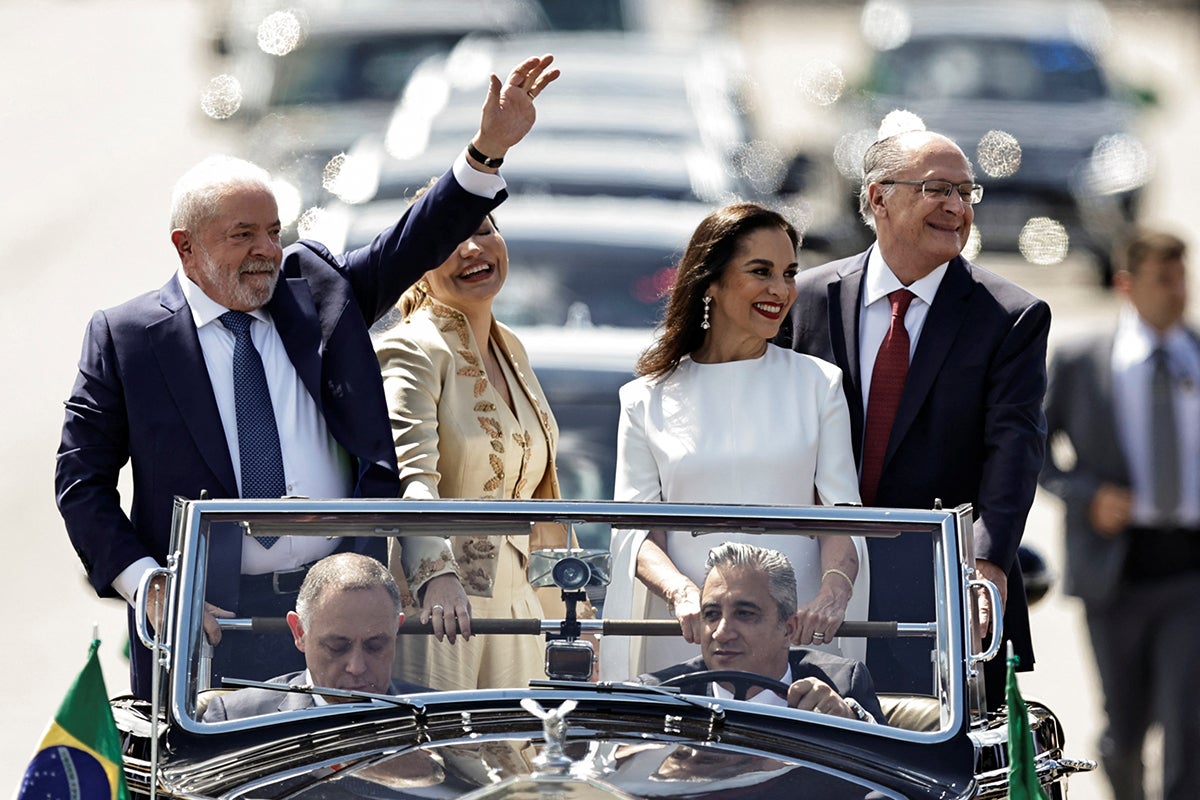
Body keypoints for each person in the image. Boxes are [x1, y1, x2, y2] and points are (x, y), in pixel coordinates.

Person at [54, 54, 561, 699]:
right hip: (207, 622)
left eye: (272, 231)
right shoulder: (128, 338)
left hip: (344, 622)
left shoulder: (315, 292)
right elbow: (81, 482)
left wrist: (486, 151)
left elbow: (410, 240)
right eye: (242, 236)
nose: (266, 250)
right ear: (186, 246)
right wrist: (149, 583)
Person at [774, 128, 1050, 708]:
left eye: (966, 192)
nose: (957, 207)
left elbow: (1014, 449)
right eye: (937, 189)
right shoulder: (809, 300)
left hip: (939, 597)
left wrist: (987, 567)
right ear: (878, 198)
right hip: (814, 589)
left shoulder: (1010, 317)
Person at [603, 202, 867, 681]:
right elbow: (636, 533)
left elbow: (841, 516)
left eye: (789, 273)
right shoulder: (645, 398)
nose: (781, 290)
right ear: (711, 283)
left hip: (792, 638)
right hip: (687, 639)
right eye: (760, 271)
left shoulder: (819, 384)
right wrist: (683, 595)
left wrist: (833, 595)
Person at [373, 199, 588, 691]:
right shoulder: (410, 347)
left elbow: (542, 500)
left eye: (484, 230)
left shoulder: (510, 345)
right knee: (450, 759)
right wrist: (436, 575)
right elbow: (411, 478)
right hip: (443, 615)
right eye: (446, 243)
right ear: (417, 267)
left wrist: (570, 616)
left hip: (521, 611)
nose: (472, 249)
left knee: (528, 758)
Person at [1039, 229, 1200, 800]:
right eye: (1162, 278)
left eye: (1181, 275)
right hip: (1116, 573)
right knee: (1126, 727)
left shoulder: (1197, 356)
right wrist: (1087, 495)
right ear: (1128, 286)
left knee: (1189, 724)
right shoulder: (1086, 361)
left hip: (1189, 573)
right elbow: (1034, 448)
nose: (1177, 291)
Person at [636, 543, 884, 724]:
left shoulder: (841, 684)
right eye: (711, 614)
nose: (721, 633)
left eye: (744, 614)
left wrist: (849, 719)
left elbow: (887, 780)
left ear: (789, 629)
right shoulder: (658, 695)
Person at [202, 552, 426, 720]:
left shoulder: (441, 715)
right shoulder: (236, 719)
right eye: (337, 647)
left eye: (375, 645)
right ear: (300, 632)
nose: (356, 667)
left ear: (396, 630)